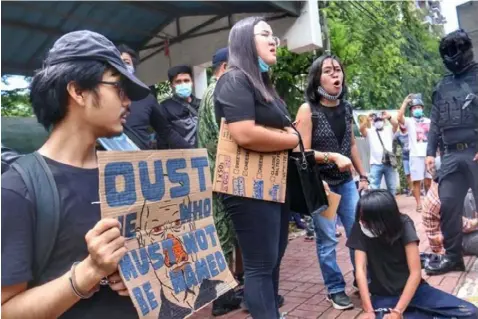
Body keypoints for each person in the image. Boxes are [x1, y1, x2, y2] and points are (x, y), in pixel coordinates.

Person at [1, 30, 151, 318]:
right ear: (78, 91)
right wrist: (89, 272)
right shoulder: (17, 189)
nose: (128, 102)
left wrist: (143, 276)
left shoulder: (132, 175)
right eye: (119, 89)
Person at [214, 16, 300, 319]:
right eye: (265, 34)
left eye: (273, 34)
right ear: (244, 43)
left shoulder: (263, 84)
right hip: (247, 187)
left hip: (274, 182)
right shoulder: (233, 79)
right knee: (260, 265)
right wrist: (291, 139)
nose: (273, 40)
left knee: (273, 260)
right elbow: (244, 133)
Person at [294, 54, 369, 310]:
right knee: (327, 240)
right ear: (317, 78)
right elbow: (301, 153)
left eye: (338, 70)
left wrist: (364, 175)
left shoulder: (346, 108)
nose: (336, 74)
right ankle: (335, 289)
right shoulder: (308, 110)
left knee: (357, 233)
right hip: (321, 185)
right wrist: (332, 157)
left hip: (347, 183)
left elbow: (351, 145)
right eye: (328, 71)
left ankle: (362, 279)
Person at [348, 190, 477, 319]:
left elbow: (415, 272)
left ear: (383, 219)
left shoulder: (403, 223)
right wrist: (368, 309)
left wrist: (398, 311)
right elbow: (360, 270)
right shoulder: (360, 227)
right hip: (383, 296)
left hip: (415, 290)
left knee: (470, 312)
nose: (362, 222)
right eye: (361, 218)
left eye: (366, 219)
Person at [424, 29, 478, 275]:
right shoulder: (442, 85)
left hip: (475, 151)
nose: (451, 56)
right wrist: (428, 152)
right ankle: (454, 257)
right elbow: (435, 122)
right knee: (447, 205)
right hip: (450, 155)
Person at [197, 47, 242, 316]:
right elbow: (229, 136)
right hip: (222, 176)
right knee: (223, 237)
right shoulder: (219, 93)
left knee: (223, 235)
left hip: (213, 174)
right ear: (225, 66)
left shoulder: (208, 93)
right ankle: (222, 299)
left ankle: (225, 294)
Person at [117, 44, 191, 149]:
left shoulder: (146, 98)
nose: (122, 66)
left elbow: (166, 131)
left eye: (126, 62)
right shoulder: (100, 97)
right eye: (117, 62)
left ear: (133, 67)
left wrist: (193, 151)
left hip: (140, 160)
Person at [423, 156, 478, 256]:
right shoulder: (440, 200)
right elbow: (465, 226)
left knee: (469, 194)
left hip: (456, 233)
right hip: (450, 245)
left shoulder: (440, 186)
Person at [397, 94, 432, 212]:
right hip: (415, 155)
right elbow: (399, 117)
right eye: (414, 108)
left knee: (429, 181)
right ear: (411, 111)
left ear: (422, 108)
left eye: (419, 107)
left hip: (428, 154)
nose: (417, 110)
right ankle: (418, 203)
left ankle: (429, 201)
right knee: (416, 181)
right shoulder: (409, 121)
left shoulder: (429, 121)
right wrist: (405, 102)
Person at [158, 65, 201, 148]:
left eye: (186, 80)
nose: (183, 84)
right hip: (180, 157)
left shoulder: (201, 104)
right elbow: (162, 137)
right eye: (178, 82)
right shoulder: (165, 107)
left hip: (203, 154)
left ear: (192, 82)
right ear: (172, 85)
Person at [360, 111, 398, 196]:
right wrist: (367, 119)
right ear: (373, 122)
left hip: (389, 163)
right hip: (375, 164)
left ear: (384, 121)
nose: (378, 122)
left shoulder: (389, 129)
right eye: (376, 120)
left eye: (380, 120)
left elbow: (395, 124)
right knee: (374, 188)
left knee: (392, 187)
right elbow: (361, 129)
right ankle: (375, 206)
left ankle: (391, 206)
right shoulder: (370, 132)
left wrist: (389, 117)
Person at [393, 125, 412, 195]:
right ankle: (411, 189)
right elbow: (394, 141)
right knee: (407, 174)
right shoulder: (398, 134)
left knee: (416, 173)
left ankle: (419, 189)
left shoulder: (411, 131)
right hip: (405, 157)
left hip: (414, 156)